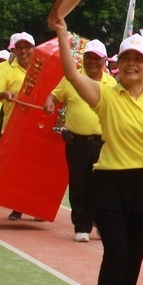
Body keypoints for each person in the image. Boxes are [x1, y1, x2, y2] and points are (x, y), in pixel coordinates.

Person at [51, 16, 143, 285]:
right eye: (127, 59)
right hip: (110, 185)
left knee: (133, 258)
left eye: (139, 59)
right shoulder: (105, 94)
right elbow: (72, 74)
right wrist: (63, 34)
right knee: (117, 253)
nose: (132, 64)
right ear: (117, 65)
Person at [46, 39, 116, 241]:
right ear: (83, 58)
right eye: (89, 57)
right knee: (79, 184)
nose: (92, 61)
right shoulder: (71, 78)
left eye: (97, 58)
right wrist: (50, 102)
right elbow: (54, 96)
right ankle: (81, 226)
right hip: (76, 142)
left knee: (102, 185)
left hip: (103, 143)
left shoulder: (111, 83)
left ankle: (99, 222)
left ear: (104, 60)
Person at [0, 32, 35, 219]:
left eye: (27, 47)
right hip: (13, 127)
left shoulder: (42, 68)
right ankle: (17, 206)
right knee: (17, 171)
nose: (24, 51)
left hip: (37, 128)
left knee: (35, 171)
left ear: (34, 48)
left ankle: (34, 205)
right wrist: (4, 94)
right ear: (13, 50)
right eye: (19, 47)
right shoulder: (5, 71)